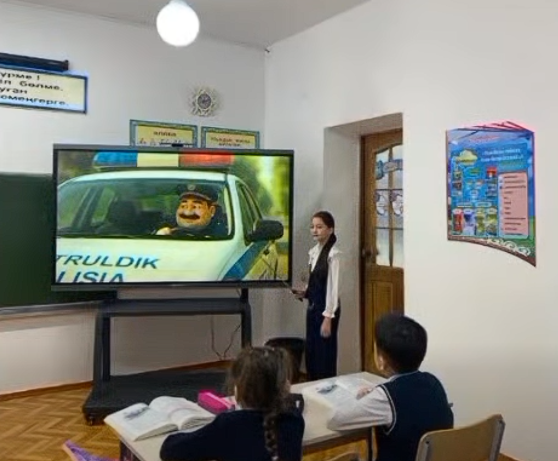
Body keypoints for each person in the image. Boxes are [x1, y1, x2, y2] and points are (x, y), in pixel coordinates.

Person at [327, 313, 454, 461]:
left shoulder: (385, 397)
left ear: (381, 361)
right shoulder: (433, 382)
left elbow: (336, 420)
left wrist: (363, 398)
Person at [159, 346, 305, 461]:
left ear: (238, 388)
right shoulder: (294, 419)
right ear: (285, 387)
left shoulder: (227, 425)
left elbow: (169, 450)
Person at [292, 210, 341, 380]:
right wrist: (304, 292)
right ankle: (312, 384)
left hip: (327, 309)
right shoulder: (313, 252)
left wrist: (328, 317)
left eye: (319, 227)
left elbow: (333, 288)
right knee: (312, 351)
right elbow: (315, 282)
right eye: (312, 227)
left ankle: (326, 385)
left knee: (324, 353)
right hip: (313, 307)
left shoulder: (334, 255)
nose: (315, 230)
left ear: (330, 229)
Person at [156, 184, 227, 237]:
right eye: (183, 206)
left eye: (196, 206)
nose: (188, 211)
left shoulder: (224, 233)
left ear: (211, 211)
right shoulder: (164, 226)